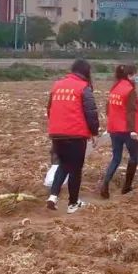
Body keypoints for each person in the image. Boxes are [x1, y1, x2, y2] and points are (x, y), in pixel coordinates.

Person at [46, 59, 101, 214]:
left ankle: (53, 196)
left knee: (63, 165)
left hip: (56, 133)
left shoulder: (57, 85)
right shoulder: (83, 87)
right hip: (75, 134)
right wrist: (94, 133)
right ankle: (73, 204)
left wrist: (56, 125)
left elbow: (49, 109)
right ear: (86, 72)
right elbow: (91, 113)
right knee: (75, 169)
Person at [101, 63, 138, 198]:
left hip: (114, 129)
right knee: (134, 157)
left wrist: (111, 123)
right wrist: (133, 131)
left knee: (116, 158)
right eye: (136, 74)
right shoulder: (129, 89)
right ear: (130, 76)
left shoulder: (115, 87)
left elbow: (108, 108)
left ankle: (105, 185)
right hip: (127, 130)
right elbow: (131, 111)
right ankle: (127, 187)